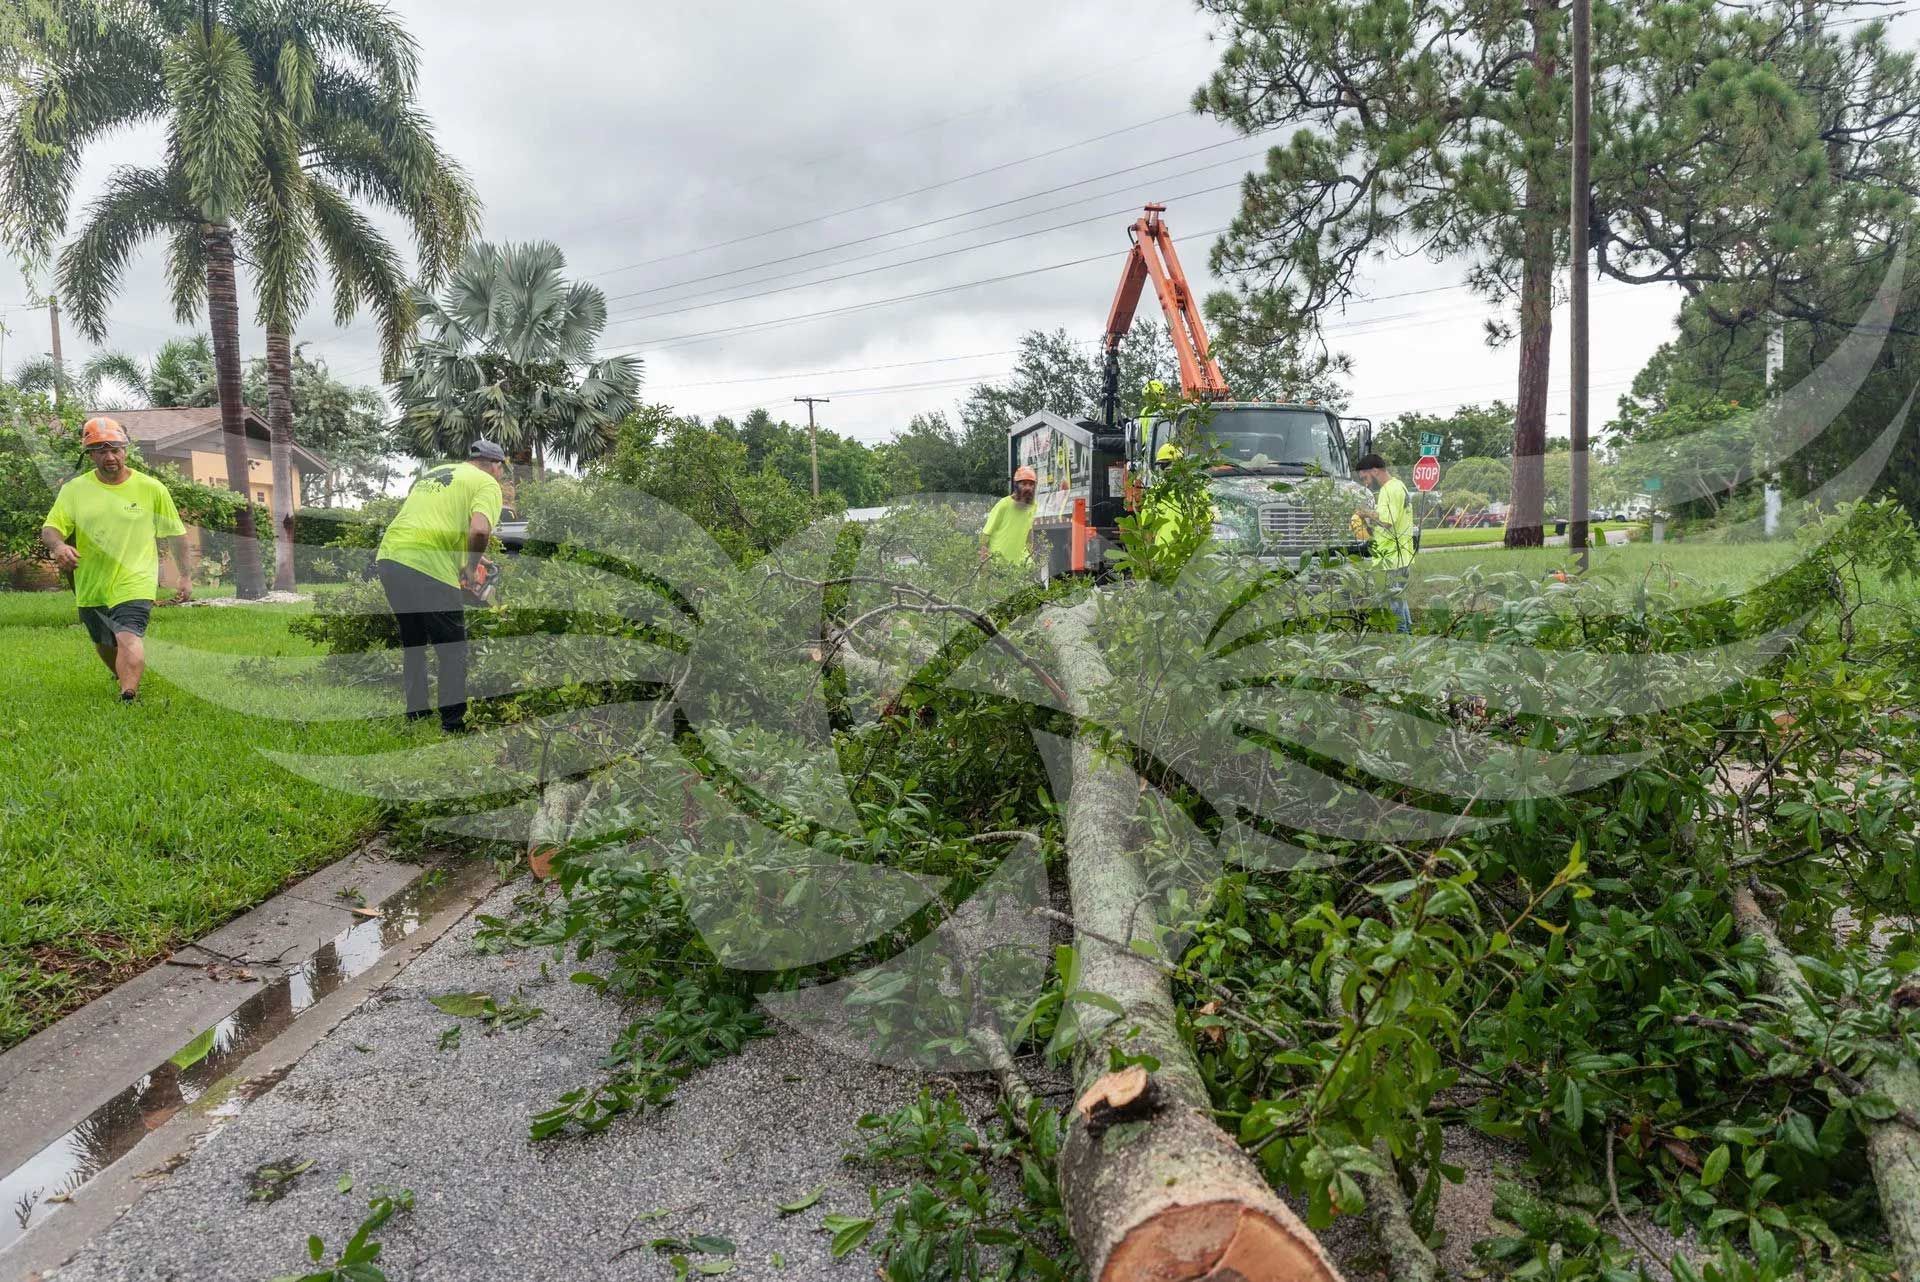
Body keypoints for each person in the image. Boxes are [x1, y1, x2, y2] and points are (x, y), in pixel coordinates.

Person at [40, 417, 191, 702]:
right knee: (103, 640)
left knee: (128, 635)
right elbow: (51, 528)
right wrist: (59, 546)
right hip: (92, 581)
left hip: (136, 579)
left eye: (116, 450)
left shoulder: (151, 488)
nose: (110, 457)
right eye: (100, 451)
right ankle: (121, 674)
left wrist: (184, 576)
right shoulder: (74, 490)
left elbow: (177, 535)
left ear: (126, 449)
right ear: (90, 454)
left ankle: (128, 696)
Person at [374, 440, 506, 732]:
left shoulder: (438, 472)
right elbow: (480, 529)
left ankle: (417, 715)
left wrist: (473, 555)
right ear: (496, 466)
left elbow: (435, 522)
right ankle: (453, 724)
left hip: (391, 556)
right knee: (452, 649)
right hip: (428, 564)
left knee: (414, 641)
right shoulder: (487, 483)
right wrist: (471, 569)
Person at [1352, 453, 1416, 634]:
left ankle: (1402, 641)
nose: (1364, 481)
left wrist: (1365, 513)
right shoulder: (1399, 485)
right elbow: (1389, 524)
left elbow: (1387, 521)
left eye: (1364, 476)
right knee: (1399, 598)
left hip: (1394, 556)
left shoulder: (1389, 490)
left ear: (1374, 470)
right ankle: (1408, 635)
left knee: (1393, 601)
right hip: (1401, 554)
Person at [980, 465, 1038, 565]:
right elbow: (985, 534)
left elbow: (1029, 529)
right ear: (1016, 485)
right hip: (998, 564)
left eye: (1031, 484)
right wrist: (985, 563)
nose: (1028, 488)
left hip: (1020, 565)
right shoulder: (1004, 505)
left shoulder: (1033, 506)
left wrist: (1030, 554)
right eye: (1024, 484)